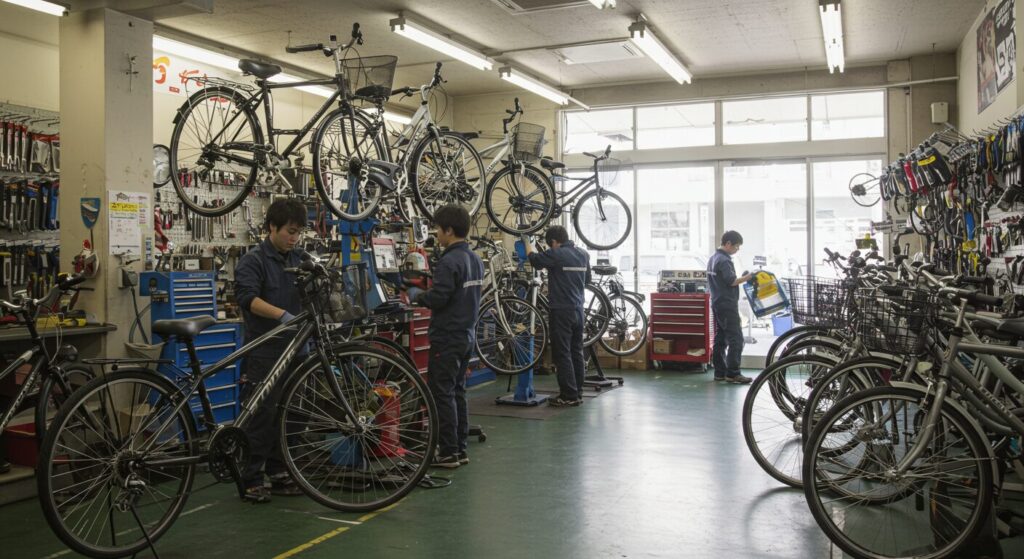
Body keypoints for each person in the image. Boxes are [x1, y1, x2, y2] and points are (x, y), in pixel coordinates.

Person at [233, 198, 308, 503]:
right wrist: (280, 315)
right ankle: (251, 477)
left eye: (298, 232)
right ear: (272, 227)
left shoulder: (300, 259)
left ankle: (279, 470)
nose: (294, 237)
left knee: (293, 413)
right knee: (261, 416)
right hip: (266, 350)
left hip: (297, 348)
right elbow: (248, 299)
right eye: (290, 231)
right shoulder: (254, 261)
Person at [406, 205, 484, 469]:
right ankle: (459, 449)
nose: (436, 234)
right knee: (457, 392)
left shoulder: (449, 261)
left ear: (449, 230)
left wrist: (417, 296)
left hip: (447, 337)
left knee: (442, 393)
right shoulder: (475, 259)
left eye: (438, 229)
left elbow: (439, 298)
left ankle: (448, 452)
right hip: (466, 335)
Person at [524, 226, 591, 406]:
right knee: (576, 351)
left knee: (562, 353)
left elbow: (535, 261)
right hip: (578, 309)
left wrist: (527, 243)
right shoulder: (583, 254)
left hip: (561, 311)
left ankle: (568, 396)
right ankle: (577, 391)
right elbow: (587, 281)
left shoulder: (556, 254)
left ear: (554, 242)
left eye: (550, 244)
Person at [707, 231, 754, 384]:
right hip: (727, 304)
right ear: (728, 244)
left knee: (721, 338)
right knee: (736, 339)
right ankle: (733, 374)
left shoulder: (713, 258)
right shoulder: (725, 260)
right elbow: (732, 281)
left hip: (717, 303)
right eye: (736, 246)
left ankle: (719, 372)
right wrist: (748, 277)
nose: (737, 250)